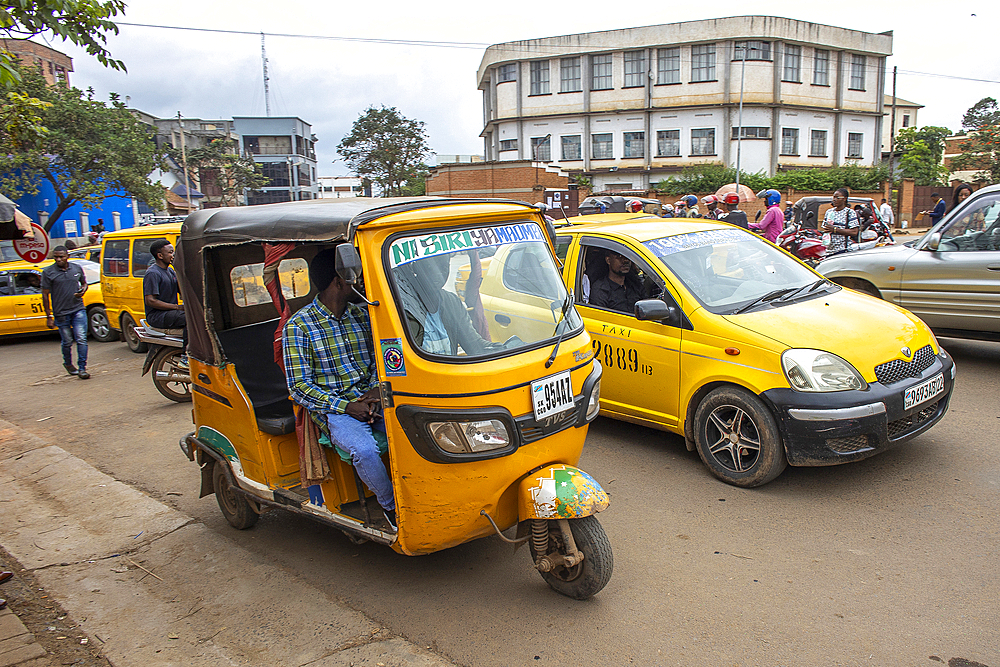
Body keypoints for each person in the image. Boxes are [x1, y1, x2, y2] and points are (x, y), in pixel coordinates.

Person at [283, 247, 396, 530]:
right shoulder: (299, 327)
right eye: (352, 277)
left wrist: (372, 393)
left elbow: (376, 362)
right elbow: (298, 387)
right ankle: (392, 509)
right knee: (364, 450)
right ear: (339, 281)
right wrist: (347, 407)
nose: (357, 282)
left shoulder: (361, 315)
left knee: (412, 428)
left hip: (369, 400)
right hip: (336, 410)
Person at [394, 253, 503, 356]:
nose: (438, 274)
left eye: (444, 267)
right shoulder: (403, 303)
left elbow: (475, 346)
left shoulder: (452, 302)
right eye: (430, 267)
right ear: (417, 267)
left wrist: (507, 348)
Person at [41, 246, 90, 379]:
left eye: (61, 256)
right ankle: (68, 364)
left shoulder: (76, 268)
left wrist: (82, 291)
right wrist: (48, 316)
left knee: (81, 338)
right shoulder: (48, 272)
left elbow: (84, 283)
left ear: (67, 256)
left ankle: (82, 368)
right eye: (56, 257)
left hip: (78, 309)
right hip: (61, 312)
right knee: (67, 341)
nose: (58, 259)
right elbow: (45, 295)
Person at [143, 239, 185, 333]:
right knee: (188, 319)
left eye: (173, 252)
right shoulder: (153, 273)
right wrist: (177, 307)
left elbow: (182, 291)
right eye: (170, 252)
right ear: (160, 256)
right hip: (157, 316)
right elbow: (150, 301)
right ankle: (189, 347)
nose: (173, 255)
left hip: (171, 312)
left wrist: (178, 268)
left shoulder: (170, 271)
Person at [821, 187, 861, 254]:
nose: (834, 200)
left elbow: (854, 232)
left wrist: (835, 229)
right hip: (829, 250)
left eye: (837, 198)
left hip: (843, 250)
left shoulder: (849, 212)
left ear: (844, 199)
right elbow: (825, 228)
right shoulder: (829, 212)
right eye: (833, 197)